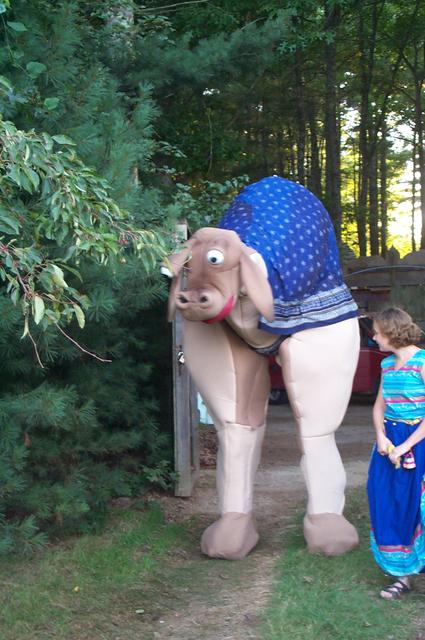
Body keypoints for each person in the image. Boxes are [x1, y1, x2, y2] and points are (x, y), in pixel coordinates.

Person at [367, 306, 425, 599]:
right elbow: (380, 405)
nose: (374, 337)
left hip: (417, 443)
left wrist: (405, 445)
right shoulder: (387, 364)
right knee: (390, 502)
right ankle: (402, 577)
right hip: (389, 444)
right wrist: (381, 436)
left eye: (377, 332)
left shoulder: (422, 362)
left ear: (392, 332)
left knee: (418, 504)